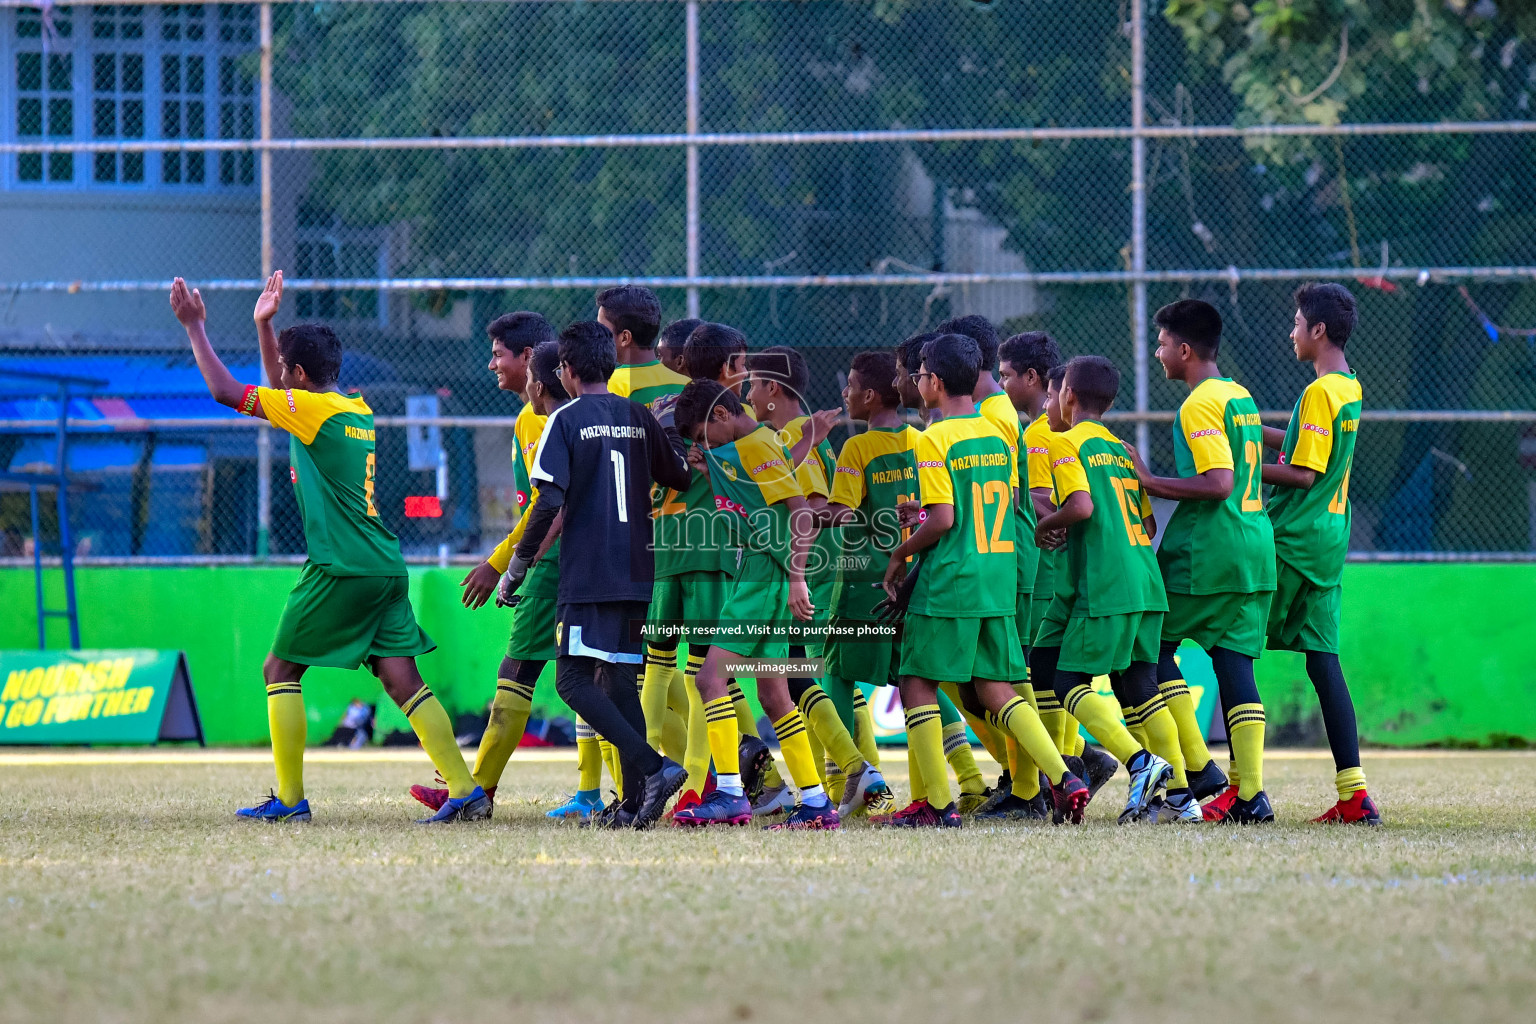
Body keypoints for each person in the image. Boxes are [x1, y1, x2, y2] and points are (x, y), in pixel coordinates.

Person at [171, 271, 489, 824]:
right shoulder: (353, 408)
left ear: (298, 376)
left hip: (341, 568)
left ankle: (290, 801)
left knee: (280, 671)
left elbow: (226, 391)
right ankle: (465, 790)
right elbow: (281, 385)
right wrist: (265, 324)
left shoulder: (311, 412)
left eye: (286, 374)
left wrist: (196, 326)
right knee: (401, 679)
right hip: (384, 565)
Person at [879, 333, 1090, 828]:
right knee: (996, 687)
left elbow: (946, 519)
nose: (918, 381)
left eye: (921, 373)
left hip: (952, 577)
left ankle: (934, 805)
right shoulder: (1000, 432)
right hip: (997, 574)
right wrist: (928, 510)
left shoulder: (933, 438)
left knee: (915, 682)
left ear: (933, 381)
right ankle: (1063, 777)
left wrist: (901, 550)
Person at [501, 320, 693, 829]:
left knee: (571, 680)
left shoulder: (563, 421)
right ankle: (635, 803)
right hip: (637, 570)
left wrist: (517, 568)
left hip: (588, 571)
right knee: (619, 683)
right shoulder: (638, 415)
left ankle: (655, 770)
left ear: (564, 371)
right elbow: (680, 475)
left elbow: (547, 503)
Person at [1126, 300, 1277, 823]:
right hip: (1256, 549)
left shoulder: (1198, 405)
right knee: (1235, 664)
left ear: (1184, 350)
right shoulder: (1240, 396)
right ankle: (1251, 793)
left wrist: (1147, 481)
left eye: (1163, 342)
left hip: (1207, 552)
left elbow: (1218, 484)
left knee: (1148, 648)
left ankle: (1198, 769)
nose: (1159, 351)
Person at [407, 313, 563, 816]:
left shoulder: (549, 419)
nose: (491, 363)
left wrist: (503, 563)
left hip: (553, 563)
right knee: (601, 679)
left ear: (528, 358)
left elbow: (548, 505)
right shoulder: (528, 418)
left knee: (524, 674)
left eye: (499, 353)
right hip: (556, 561)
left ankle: (477, 790)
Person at [670, 379, 839, 830]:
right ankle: (817, 803)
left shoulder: (754, 446)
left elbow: (800, 510)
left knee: (709, 679)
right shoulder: (751, 446)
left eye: (705, 437)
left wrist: (797, 578)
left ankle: (728, 793)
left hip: (766, 576)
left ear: (722, 416)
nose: (704, 446)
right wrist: (711, 466)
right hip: (765, 574)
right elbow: (778, 471)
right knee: (774, 694)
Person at [1036, 355, 1186, 824]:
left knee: (1066, 682)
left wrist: (1050, 523)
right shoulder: (1121, 449)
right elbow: (1142, 519)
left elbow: (1080, 507)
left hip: (1106, 583)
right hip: (1144, 577)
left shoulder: (1066, 444)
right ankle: (1180, 797)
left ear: (1068, 396)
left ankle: (1138, 763)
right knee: (1142, 684)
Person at [745, 347, 891, 819]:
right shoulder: (803, 437)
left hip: (803, 575)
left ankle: (852, 771)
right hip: (817, 574)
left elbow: (806, 512)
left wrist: (795, 577)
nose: (749, 393)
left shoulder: (790, 437)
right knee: (808, 678)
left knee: (787, 677)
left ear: (772, 389)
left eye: (753, 384)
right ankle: (853, 777)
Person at [1262, 283, 1379, 825]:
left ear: (1318, 331)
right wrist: (1248, 432)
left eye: (1296, 322)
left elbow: (1303, 473)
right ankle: (1355, 795)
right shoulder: (1350, 386)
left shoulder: (1319, 393)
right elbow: (1306, 452)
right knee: (1323, 661)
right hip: (1330, 539)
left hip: (1296, 539)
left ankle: (1229, 789)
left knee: (1224, 636)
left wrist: (1234, 466)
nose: (1291, 331)